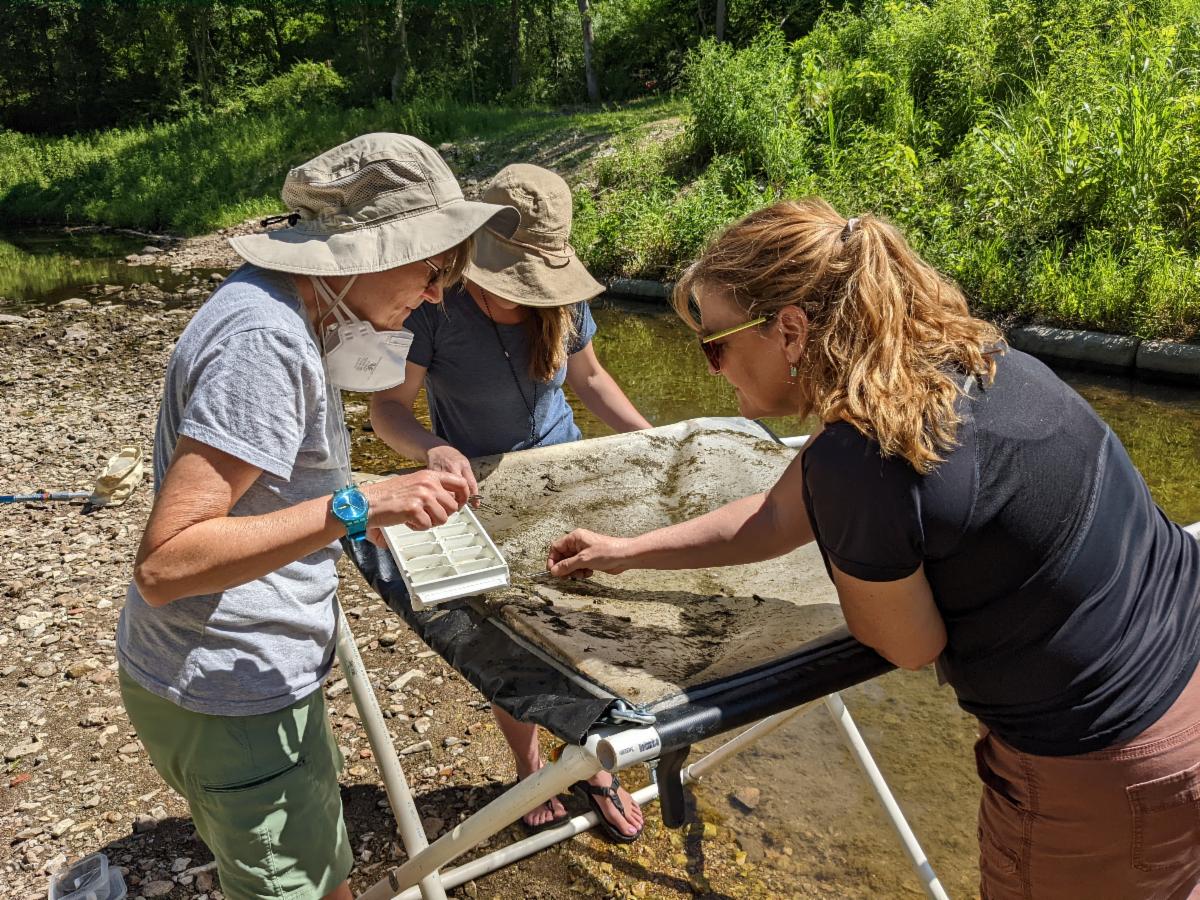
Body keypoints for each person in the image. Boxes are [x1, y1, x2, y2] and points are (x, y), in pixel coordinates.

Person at [546, 198, 1200, 898]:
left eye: (715, 344)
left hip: (1109, 761)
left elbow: (909, 645)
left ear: (790, 331)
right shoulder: (973, 361)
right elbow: (771, 518)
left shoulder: (861, 458)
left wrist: (854, 549)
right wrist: (626, 549)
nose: (711, 369)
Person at [117, 133, 519, 900]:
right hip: (226, 689)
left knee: (317, 871)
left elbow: (264, 487)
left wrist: (374, 485)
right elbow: (168, 562)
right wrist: (358, 504)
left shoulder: (282, 309)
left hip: (228, 682)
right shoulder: (264, 342)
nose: (438, 294)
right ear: (361, 254)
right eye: (432, 267)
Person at [371, 163, 651, 842]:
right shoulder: (437, 308)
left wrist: (652, 440)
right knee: (512, 644)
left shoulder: (564, 301)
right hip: (482, 492)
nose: (521, 298)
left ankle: (588, 759)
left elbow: (590, 379)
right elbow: (386, 409)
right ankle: (528, 767)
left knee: (588, 622)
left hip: (566, 475)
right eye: (509, 285)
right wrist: (431, 449)